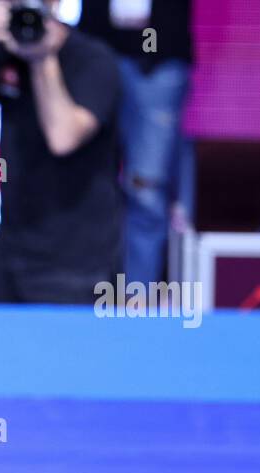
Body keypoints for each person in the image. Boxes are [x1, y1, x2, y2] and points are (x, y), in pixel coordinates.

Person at [0, 0, 123, 304]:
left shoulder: (94, 59)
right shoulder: (6, 55)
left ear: (55, 7)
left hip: (79, 261)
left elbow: (62, 138)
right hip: (10, 253)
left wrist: (43, 59)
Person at [76, 0, 194, 284]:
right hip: (96, 50)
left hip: (160, 57)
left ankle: (137, 296)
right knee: (87, 180)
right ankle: (88, 287)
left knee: (145, 187)